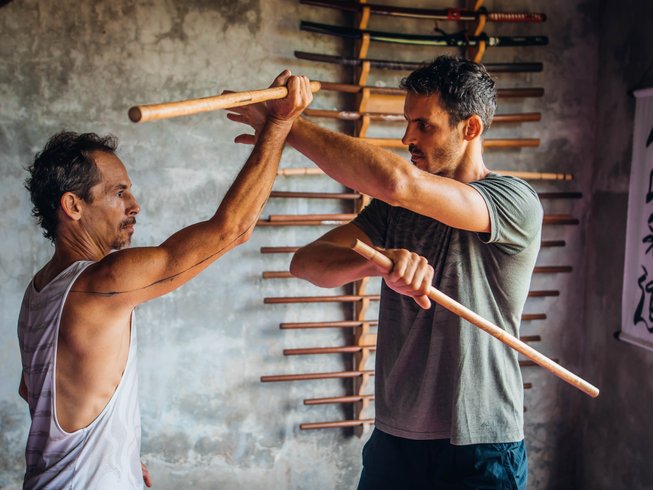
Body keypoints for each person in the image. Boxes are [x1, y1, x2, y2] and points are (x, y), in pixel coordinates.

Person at [229, 56, 542, 489]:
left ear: (470, 128)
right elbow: (306, 264)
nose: (406, 137)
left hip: (481, 442)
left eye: (424, 126)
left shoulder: (512, 200)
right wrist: (377, 260)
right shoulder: (394, 213)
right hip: (396, 438)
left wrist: (285, 125)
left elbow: (399, 182)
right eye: (407, 122)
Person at [17, 71, 312, 489]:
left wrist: (117, 459)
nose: (135, 204)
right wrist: (279, 125)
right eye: (119, 193)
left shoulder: (39, 290)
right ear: (73, 205)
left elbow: (34, 391)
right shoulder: (97, 284)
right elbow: (232, 230)